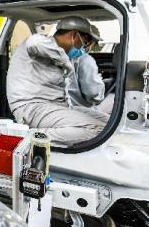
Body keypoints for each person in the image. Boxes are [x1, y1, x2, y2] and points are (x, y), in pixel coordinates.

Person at [6, 16, 109, 145]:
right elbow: (34, 42)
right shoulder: (43, 43)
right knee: (98, 130)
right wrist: (65, 62)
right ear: (73, 35)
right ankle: (28, 136)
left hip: (56, 107)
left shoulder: (66, 54)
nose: (85, 48)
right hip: (32, 108)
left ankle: (46, 134)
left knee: (109, 124)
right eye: (85, 42)